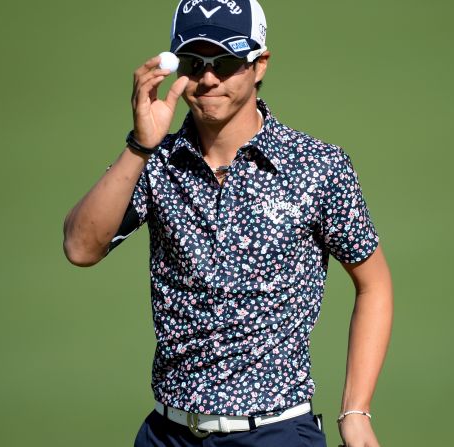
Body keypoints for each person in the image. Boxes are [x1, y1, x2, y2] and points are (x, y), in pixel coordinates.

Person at [62, 0, 393, 445]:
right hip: (168, 433)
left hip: (276, 432)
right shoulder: (156, 162)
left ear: (260, 65)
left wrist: (355, 410)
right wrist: (140, 144)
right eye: (194, 63)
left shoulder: (318, 167)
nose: (209, 78)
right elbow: (81, 249)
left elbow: (373, 284)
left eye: (226, 61)